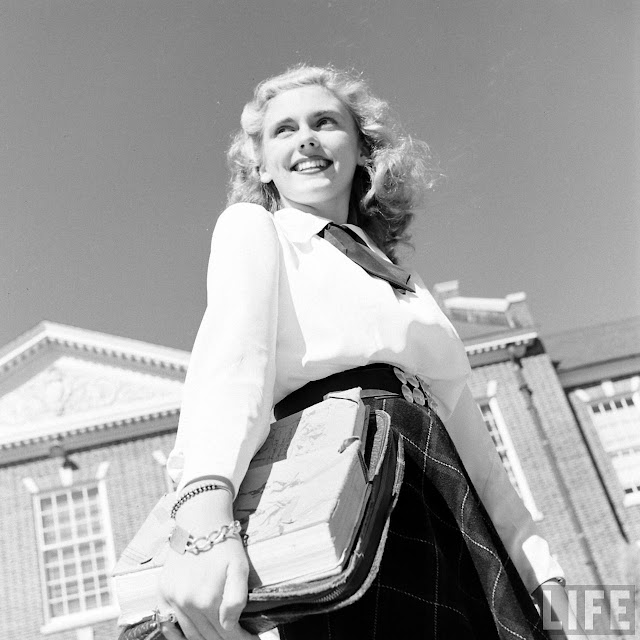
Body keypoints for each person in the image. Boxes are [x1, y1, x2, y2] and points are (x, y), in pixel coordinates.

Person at [158, 64, 586, 639]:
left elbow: (474, 445)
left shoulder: (403, 280)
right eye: (283, 130)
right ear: (261, 165)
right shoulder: (253, 230)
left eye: (325, 122)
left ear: (362, 150)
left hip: (446, 497)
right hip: (350, 497)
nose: (306, 137)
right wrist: (206, 521)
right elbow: (231, 372)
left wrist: (542, 574)